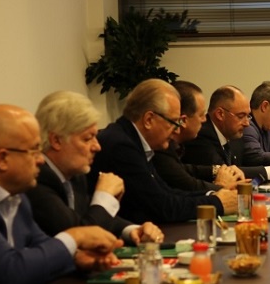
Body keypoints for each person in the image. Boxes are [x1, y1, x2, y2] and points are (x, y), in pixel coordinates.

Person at [0, 105, 120, 284]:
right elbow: (10, 273)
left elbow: (41, 246)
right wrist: (75, 237)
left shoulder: (16, 195)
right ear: (2, 159)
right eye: (33, 151)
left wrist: (77, 259)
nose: (41, 159)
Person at [89, 79, 236, 223]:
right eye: (173, 122)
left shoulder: (132, 139)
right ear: (149, 120)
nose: (177, 129)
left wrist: (214, 195)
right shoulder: (121, 146)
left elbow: (166, 192)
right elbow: (162, 206)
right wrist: (217, 203)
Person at [27, 91, 164, 244]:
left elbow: (89, 216)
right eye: (87, 139)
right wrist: (105, 196)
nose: (97, 147)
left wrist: (132, 230)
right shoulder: (36, 179)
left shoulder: (75, 175)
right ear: (56, 140)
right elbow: (82, 237)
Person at [181, 85, 270, 182]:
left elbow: (239, 170)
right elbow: (227, 173)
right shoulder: (202, 135)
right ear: (220, 114)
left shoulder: (233, 135)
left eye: (248, 116)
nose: (247, 123)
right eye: (241, 116)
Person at [153, 81, 245, 192]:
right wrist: (220, 187)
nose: (204, 119)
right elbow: (188, 185)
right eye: (201, 115)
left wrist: (217, 170)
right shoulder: (160, 147)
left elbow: (183, 169)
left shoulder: (172, 146)